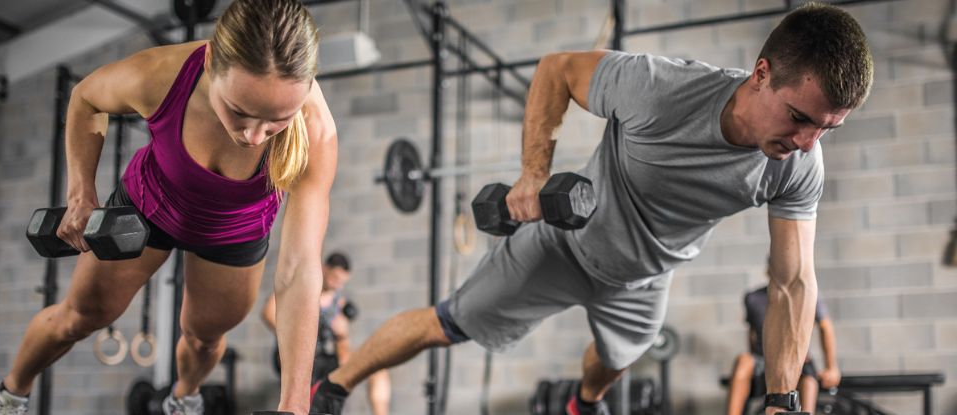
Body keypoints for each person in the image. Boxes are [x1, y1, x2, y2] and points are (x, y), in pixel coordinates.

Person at [311, 3, 872, 415]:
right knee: (447, 323)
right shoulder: (660, 89)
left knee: (614, 361)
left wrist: (782, 399)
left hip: (644, 280)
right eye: (800, 117)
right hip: (562, 245)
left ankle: (584, 403)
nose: (807, 142)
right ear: (762, 72)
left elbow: (793, 284)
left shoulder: (798, 165)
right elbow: (557, 69)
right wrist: (533, 174)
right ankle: (333, 386)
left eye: (826, 130)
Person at [0, 1, 337, 414]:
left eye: (276, 120)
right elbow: (85, 99)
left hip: (234, 231)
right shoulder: (161, 75)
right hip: (149, 207)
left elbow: (299, 269)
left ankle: (184, 398)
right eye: (240, 112)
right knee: (79, 317)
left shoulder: (316, 130)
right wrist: (81, 193)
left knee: (205, 338)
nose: (256, 136)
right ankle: (10, 394)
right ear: (210, 62)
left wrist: (294, 404)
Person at [262, 252, 392, 415]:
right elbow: (268, 312)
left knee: (377, 368)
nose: (338, 285)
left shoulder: (339, 302)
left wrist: (342, 336)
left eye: (342, 282)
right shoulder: (302, 288)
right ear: (324, 268)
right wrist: (295, 336)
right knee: (304, 367)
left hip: (324, 357)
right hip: (293, 353)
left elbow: (343, 356)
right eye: (335, 279)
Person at [726, 262, 841, 415]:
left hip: (799, 360)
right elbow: (752, 333)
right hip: (764, 361)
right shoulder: (753, 298)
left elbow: (825, 327)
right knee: (743, 360)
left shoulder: (807, 293)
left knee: (808, 382)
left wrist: (831, 367)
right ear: (768, 269)